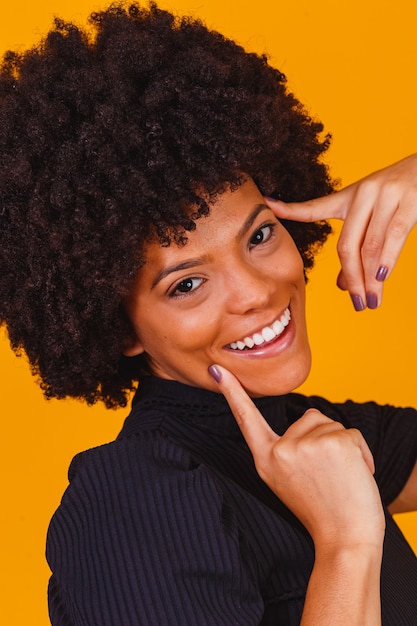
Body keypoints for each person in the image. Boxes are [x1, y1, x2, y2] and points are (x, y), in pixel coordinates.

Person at [0, 2, 416, 624]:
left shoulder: (305, 434)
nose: (255, 292)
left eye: (258, 237)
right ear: (120, 330)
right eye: (187, 283)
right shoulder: (131, 498)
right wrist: (347, 544)